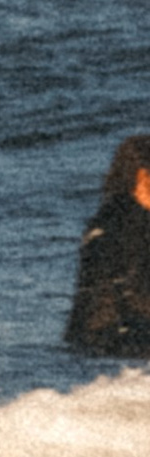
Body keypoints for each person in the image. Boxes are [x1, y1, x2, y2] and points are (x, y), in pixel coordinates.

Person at [67, 133, 150, 357]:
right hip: (120, 340)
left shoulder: (106, 218)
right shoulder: (134, 223)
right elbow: (132, 293)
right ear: (143, 177)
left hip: (85, 341)